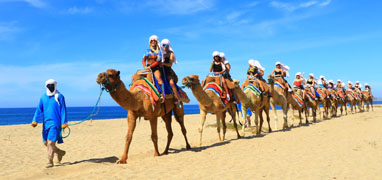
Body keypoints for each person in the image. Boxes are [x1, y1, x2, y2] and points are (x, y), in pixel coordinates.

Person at [31, 79, 68, 168]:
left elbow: (63, 110)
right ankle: (60, 152)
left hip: (56, 123)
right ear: (46, 86)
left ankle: (50, 161)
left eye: (52, 84)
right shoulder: (43, 97)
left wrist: (64, 122)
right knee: (45, 143)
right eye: (49, 85)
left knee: (51, 143)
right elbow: (39, 109)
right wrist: (35, 120)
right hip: (46, 123)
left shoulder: (59, 96)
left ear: (55, 85)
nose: (50, 86)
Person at [142, 35, 165, 100]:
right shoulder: (147, 51)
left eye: (154, 41)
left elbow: (158, 61)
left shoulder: (159, 51)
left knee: (158, 78)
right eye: (151, 41)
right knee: (136, 76)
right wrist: (144, 66)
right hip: (147, 67)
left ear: (156, 42)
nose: (152, 42)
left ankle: (162, 94)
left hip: (155, 68)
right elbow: (143, 60)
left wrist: (151, 67)